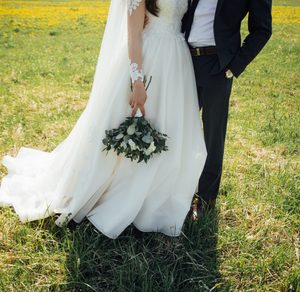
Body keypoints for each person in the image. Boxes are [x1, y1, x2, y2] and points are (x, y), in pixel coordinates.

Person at [0, 0, 207, 238]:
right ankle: (123, 193)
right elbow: (134, 35)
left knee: (168, 129)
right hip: (150, 59)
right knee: (138, 125)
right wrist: (138, 81)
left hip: (177, 61)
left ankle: (158, 195)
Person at [182, 0, 272, 215]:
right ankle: (177, 192)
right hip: (185, 61)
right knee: (180, 130)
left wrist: (234, 65)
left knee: (213, 137)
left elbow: (262, 30)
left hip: (219, 66)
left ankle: (205, 200)